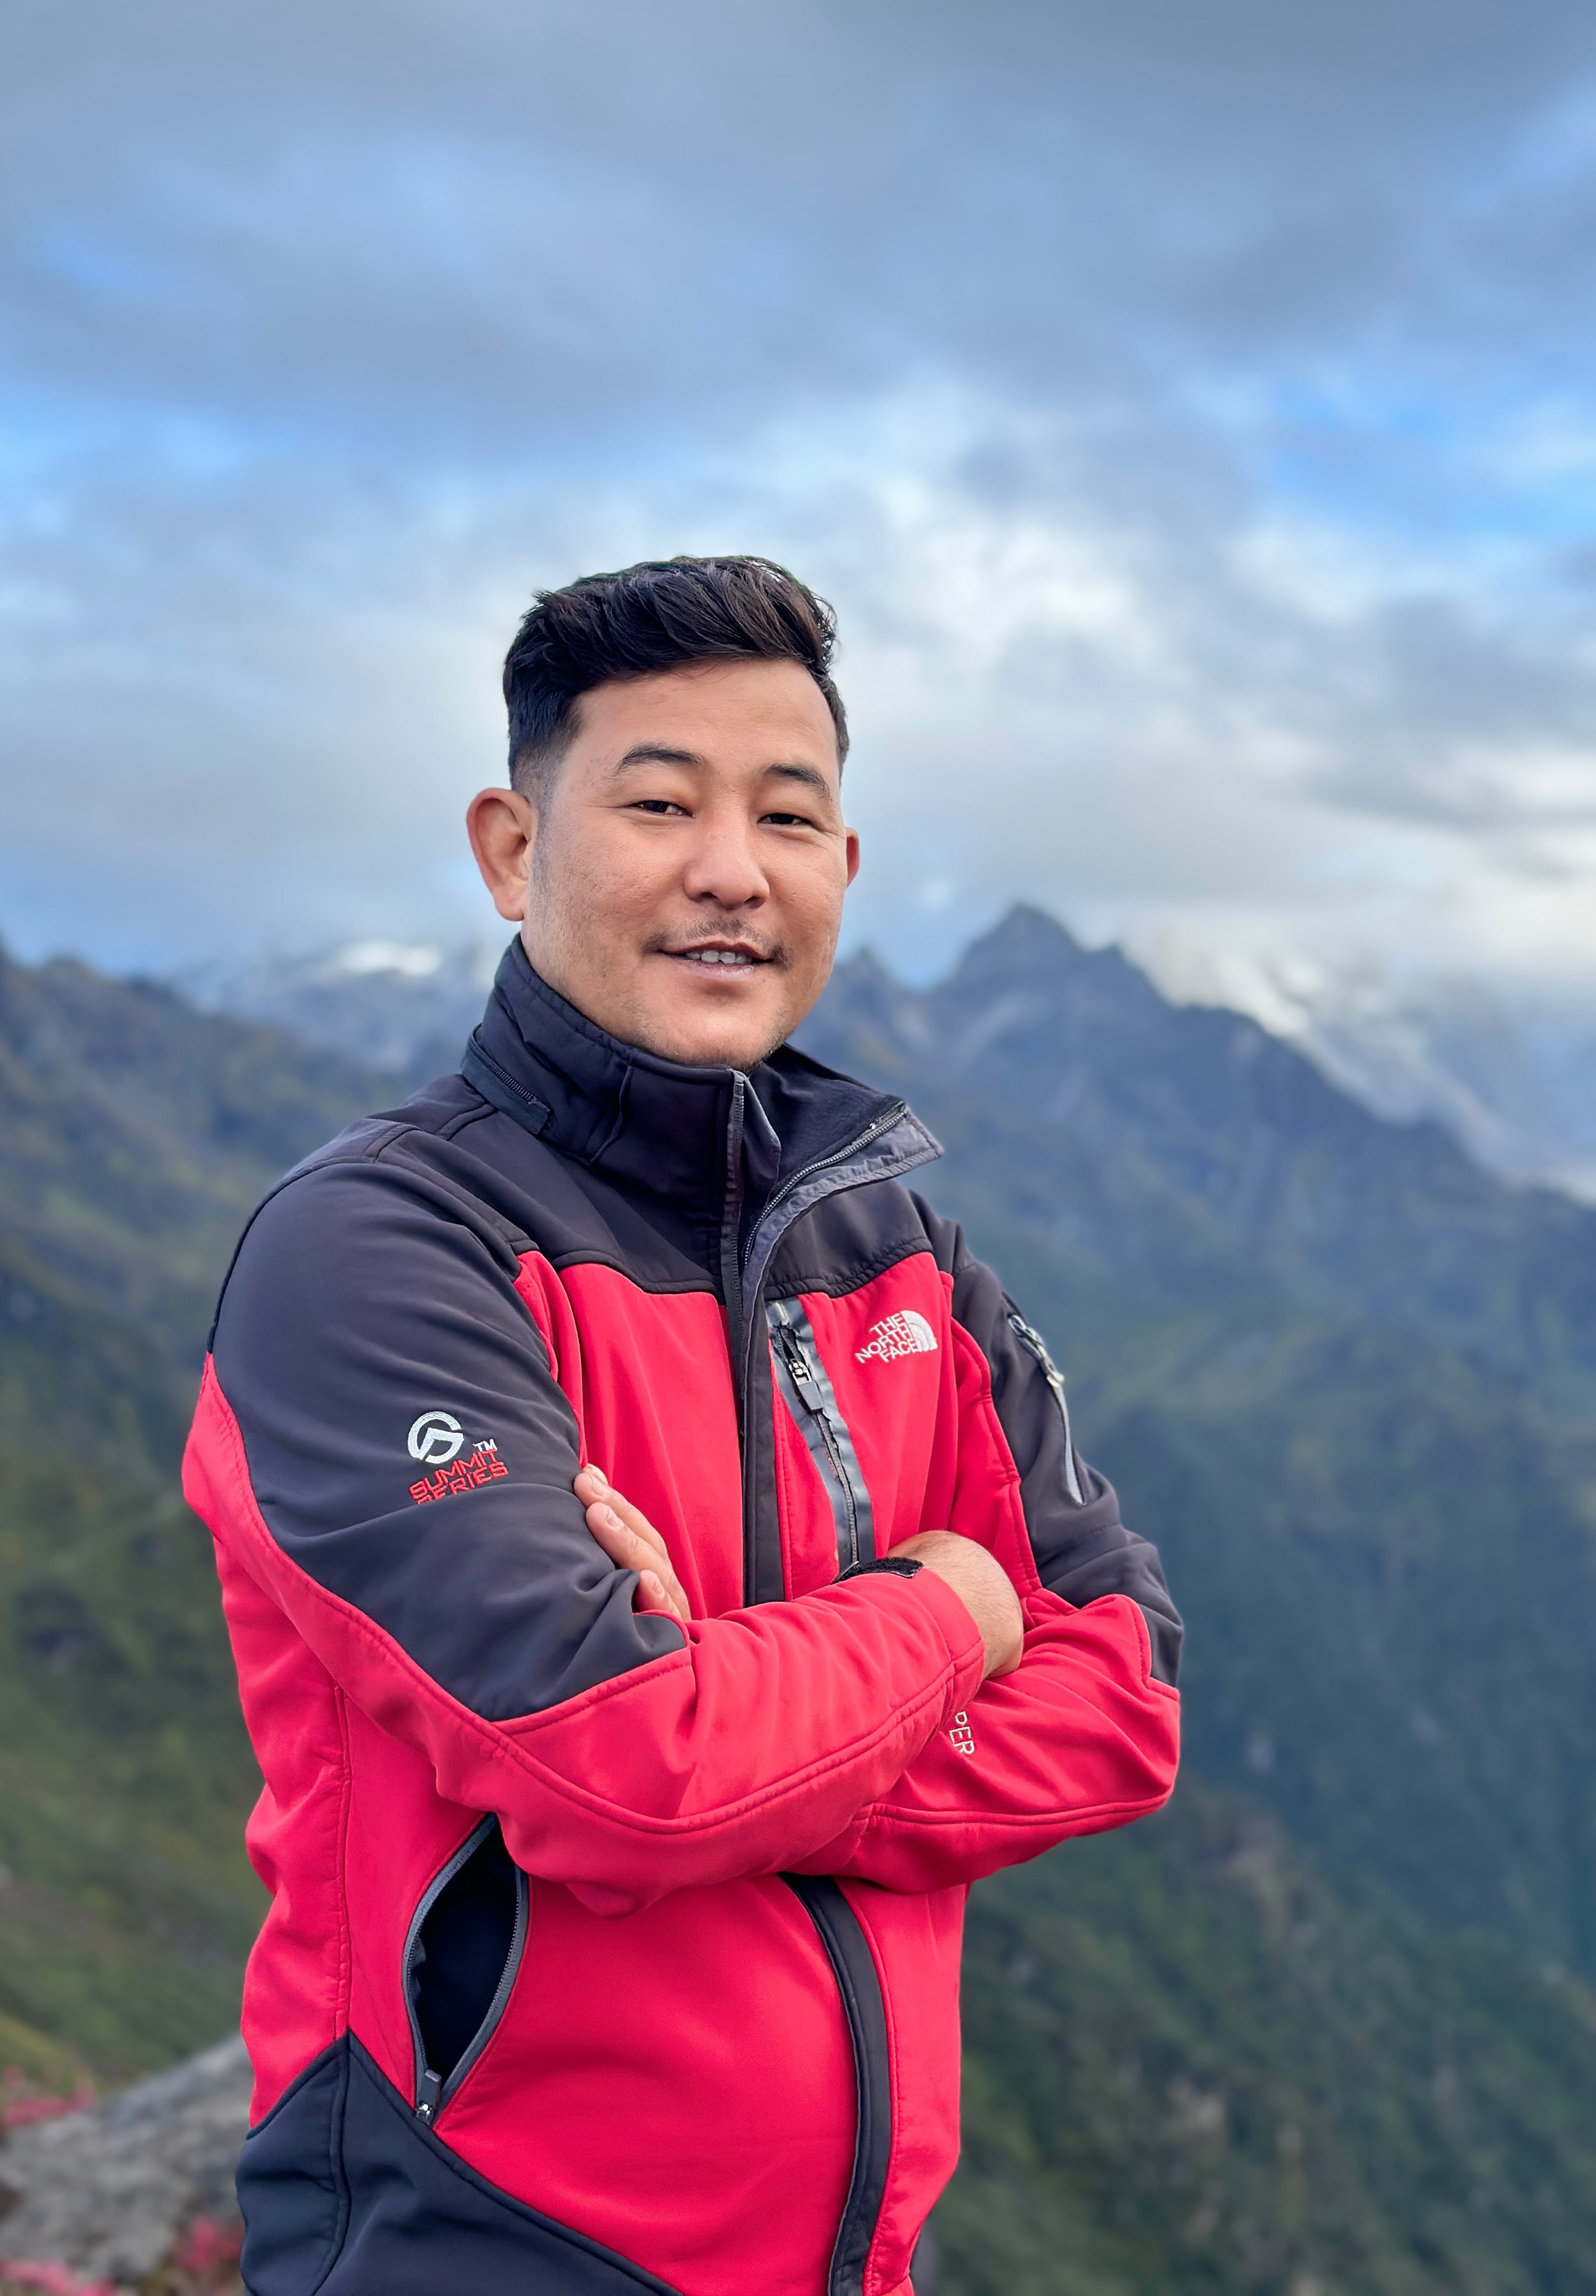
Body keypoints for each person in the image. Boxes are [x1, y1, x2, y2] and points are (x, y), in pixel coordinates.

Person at [184, 555, 1181, 2296]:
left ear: (844, 872)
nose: (732, 870)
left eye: (788, 818)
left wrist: (734, 1707)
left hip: (852, 2260)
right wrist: (946, 1616)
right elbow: (626, 1777)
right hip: (474, 2249)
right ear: (511, 848)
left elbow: (1127, 1702)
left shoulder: (903, 1263)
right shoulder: (376, 1256)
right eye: (659, 801)